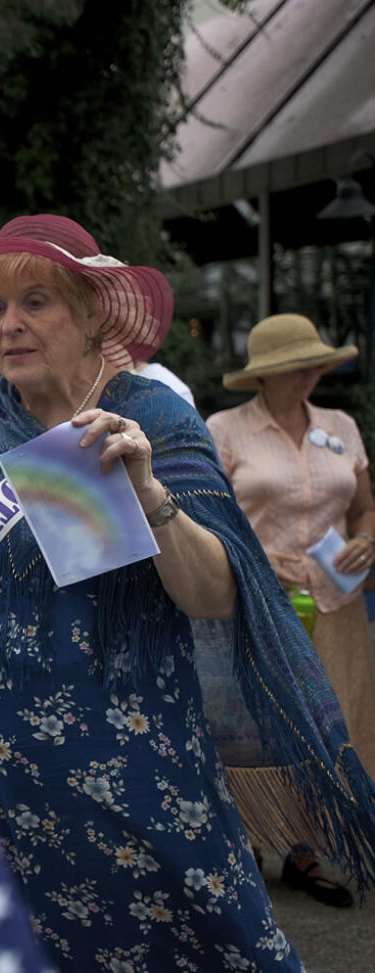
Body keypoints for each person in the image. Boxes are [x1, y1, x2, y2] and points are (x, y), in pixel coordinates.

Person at [0, 215, 375, 970]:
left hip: (127, 789)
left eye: (37, 301)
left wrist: (148, 492)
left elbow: (215, 594)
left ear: (94, 309)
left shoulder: (154, 417)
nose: (10, 325)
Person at [203, 312, 375, 906]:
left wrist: (367, 538)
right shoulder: (225, 429)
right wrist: (246, 557)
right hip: (258, 597)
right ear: (265, 376)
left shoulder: (341, 425)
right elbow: (205, 512)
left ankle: (307, 850)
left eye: (315, 366)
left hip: (335, 599)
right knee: (251, 721)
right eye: (296, 368)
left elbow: (364, 507)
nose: (309, 377)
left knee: (331, 720)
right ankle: (246, 844)